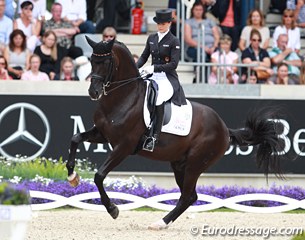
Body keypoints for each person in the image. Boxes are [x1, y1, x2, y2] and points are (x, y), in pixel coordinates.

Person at [136, 9, 187, 152]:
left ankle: (154, 137)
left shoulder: (173, 40)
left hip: (167, 78)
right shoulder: (151, 38)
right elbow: (143, 57)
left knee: (158, 98)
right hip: (152, 75)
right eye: (158, 23)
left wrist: (154, 68)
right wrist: (135, 69)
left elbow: (173, 65)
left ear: (169, 23)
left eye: (163, 24)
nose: (160, 26)